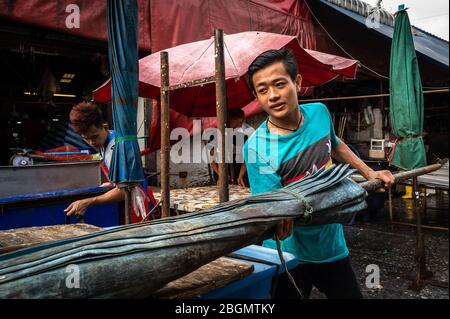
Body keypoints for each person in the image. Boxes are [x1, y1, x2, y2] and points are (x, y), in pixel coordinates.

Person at [243, 49, 394, 299]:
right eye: (263, 90)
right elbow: (273, 209)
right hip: (289, 256)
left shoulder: (320, 113)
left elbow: (335, 144)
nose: (273, 96)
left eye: (280, 84)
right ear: (256, 96)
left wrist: (368, 172)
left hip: (331, 245)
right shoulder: (257, 149)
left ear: (298, 82)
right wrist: (275, 219)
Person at [64, 101, 125, 218]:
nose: (92, 142)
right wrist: (113, 182)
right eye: (86, 139)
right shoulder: (108, 138)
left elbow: (124, 191)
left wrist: (88, 201)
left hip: (136, 206)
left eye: (94, 136)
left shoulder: (115, 148)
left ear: (105, 127)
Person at [210, 108, 251, 187]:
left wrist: (240, 176)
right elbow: (212, 159)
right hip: (221, 175)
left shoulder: (243, 137)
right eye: (240, 119)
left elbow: (246, 159)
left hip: (239, 174)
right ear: (232, 119)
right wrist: (220, 175)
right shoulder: (215, 136)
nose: (242, 122)